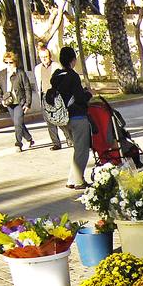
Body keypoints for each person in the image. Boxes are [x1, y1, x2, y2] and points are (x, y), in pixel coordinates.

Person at [48, 45, 92, 190]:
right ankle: (79, 180)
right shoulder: (72, 76)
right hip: (77, 116)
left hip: (62, 118)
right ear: (73, 60)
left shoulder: (56, 76)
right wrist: (88, 94)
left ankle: (71, 179)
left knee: (76, 149)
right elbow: (80, 98)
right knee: (82, 149)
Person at [0, 50, 36, 152]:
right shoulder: (2, 74)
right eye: (6, 62)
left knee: (17, 122)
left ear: (15, 62)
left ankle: (18, 143)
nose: (9, 65)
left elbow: (27, 88)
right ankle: (29, 139)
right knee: (18, 123)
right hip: (9, 103)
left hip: (19, 102)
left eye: (11, 62)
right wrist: (1, 100)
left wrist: (28, 103)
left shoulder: (20, 73)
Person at [36, 45, 63, 150]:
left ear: (50, 56)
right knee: (49, 121)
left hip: (55, 96)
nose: (44, 59)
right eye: (42, 57)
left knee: (60, 119)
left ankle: (69, 138)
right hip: (44, 96)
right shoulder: (37, 69)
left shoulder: (56, 66)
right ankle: (56, 143)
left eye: (46, 56)